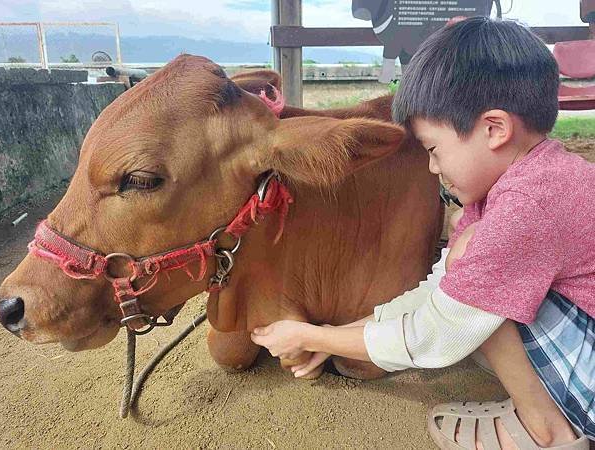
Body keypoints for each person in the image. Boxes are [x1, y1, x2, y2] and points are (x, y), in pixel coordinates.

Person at [250, 17, 595, 450]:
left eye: (434, 149)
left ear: (494, 129)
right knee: (468, 263)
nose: (432, 168)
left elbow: (438, 330)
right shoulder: (519, 182)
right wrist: (348, 331)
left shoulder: (530, 206)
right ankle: (545, 402)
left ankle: (550, 432)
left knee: (472, 265)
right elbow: (438, 292)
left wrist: (312, 336)